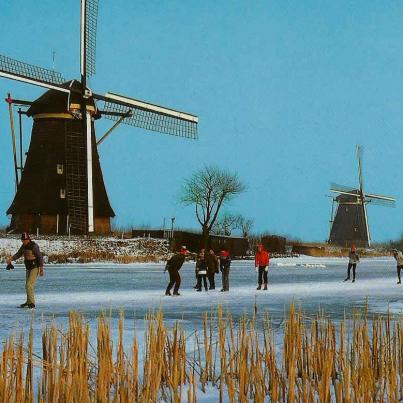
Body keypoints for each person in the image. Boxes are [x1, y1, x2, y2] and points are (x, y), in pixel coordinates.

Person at [6, 232, 44, 308]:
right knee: (27, 285)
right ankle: (28, 301)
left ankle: (32, 303)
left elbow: (40, 257)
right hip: (28, 267)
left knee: (29, 285)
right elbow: (18, 254)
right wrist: (11, 259)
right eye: (23, 240)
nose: (24, 241)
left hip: (35, 267)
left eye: (26, 240)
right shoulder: (23, 246)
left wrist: (41, 268)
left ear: (29, 239)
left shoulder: (34, 246)